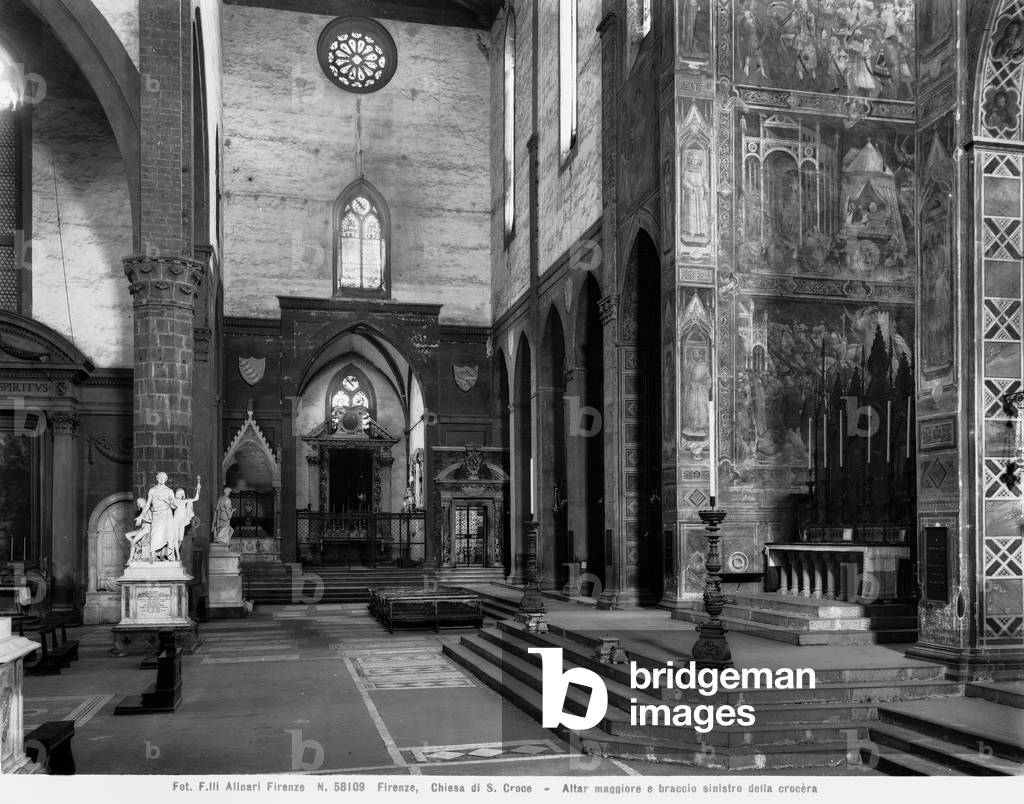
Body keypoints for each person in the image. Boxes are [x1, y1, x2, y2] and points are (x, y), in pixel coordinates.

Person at [136, 472, 177, 561]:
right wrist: (141, 516)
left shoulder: (169, 491)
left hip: (166, 514)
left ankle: (164, 556)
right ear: (157, 478)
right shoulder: (152, 490)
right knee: (155, 534)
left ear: (166, 479)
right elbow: (147, 504)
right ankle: (153, 555)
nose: (162, 479)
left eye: (164, 477)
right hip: (156, 515)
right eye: (160, 477)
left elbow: (174, 505)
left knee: (166, 535)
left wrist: (171, 501)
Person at [170, 476, 202, 563]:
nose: (182, 495)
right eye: (180, 493)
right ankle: (177, 555)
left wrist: (198, 488)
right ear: (177, 494)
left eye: (182, 493)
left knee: (180, 539)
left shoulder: (185, 501)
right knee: (176, 538)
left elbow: (196, 498)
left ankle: (174, 552)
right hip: (176, 521)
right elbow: (171, 503)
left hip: (182, 522)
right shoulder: (175, 501)